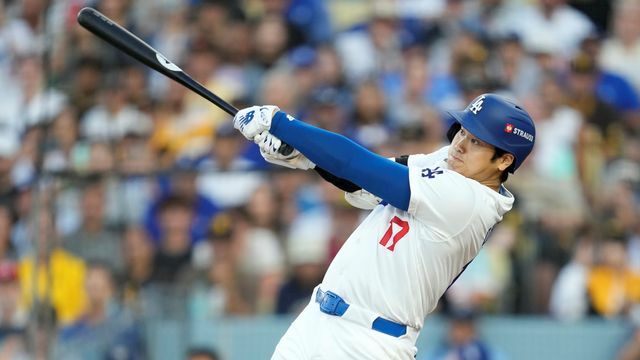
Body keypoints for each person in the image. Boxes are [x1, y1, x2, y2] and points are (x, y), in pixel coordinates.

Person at [232, 93, 536, 359]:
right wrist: (304, 157)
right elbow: (366, 182)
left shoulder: (471, 201)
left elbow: (358, 165)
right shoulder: (449, 161)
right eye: (463, 132)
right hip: (316, 318)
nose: (460, 145)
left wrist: (283, 124)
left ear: (504, 161)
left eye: (476, 141)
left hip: (371, 342)